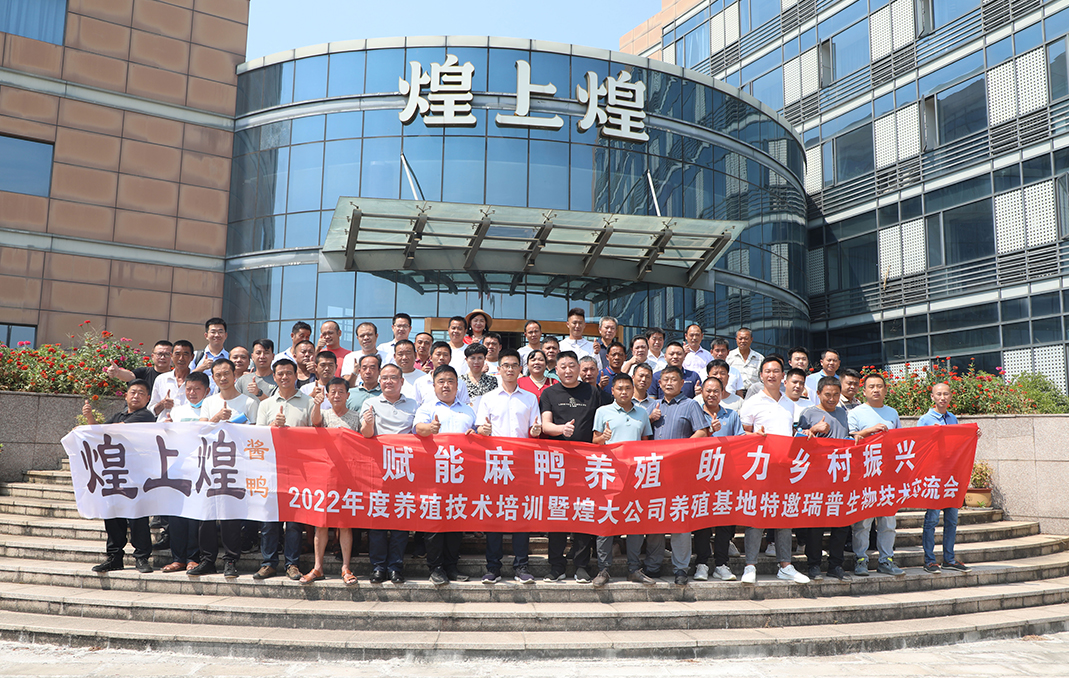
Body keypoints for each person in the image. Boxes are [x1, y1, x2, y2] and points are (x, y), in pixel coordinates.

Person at [738, 356, 810, 585]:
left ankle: (785, 566)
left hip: (784, 468)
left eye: (776, 371)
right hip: (759, 468)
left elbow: (789, 433)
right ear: (761, 375)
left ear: (783, 376)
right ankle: (750, 565)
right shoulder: (752, 402)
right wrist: (754, 436)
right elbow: (740, 435)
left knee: (784, 517)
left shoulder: (790, 403)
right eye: (767, 371)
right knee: (755, 517)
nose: (771, 375)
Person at [475, 349, 541, 584]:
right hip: (496, 464)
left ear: (520, 369)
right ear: (499, 369)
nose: (510, 369)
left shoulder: (530, 398)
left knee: (521, 515)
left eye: (514, 365)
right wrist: (482, 430)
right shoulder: (488, 398)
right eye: (506, 365)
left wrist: (536, 431)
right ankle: (493, 567)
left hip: (522, 465)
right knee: (495, 515)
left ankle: (521, 566)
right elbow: (480, 428)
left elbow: (535, 428)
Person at [539, 351, 606, 583]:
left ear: (578, 368)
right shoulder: (549, 393)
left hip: (587, 463)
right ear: (555, 370)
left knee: (584, 513)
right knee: (557, 513)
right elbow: (546, 425)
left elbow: (606, 417)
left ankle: (581, 565)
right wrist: (561, 429)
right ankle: (556, 566)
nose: (568, 370)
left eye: (571, 366)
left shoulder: (593, 392)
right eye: (563, 366)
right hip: (557, 463)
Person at [192, 358, 259, 578]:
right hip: (211, 463)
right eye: (218, 375)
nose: (223, 378)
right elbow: (200, 430)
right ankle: (207, 559)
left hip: (236, 465)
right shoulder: (209, 402)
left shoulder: (249, 402)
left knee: (231, 516)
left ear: (234, 375)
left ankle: (230, 560)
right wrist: (217, 418)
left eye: (226, 373)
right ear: (213, 377)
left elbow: (256, 435)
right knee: (206, 515)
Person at [82, 379, 156, 573]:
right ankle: (114, 557)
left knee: (138, 517)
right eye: (133, 392)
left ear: (148, 398)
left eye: (141, 393)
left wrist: (96, 428)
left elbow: (116, 429)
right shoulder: (118, 415)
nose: (136, 396)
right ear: (126, 395)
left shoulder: (146, 415)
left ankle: (142, 557)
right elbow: (99, 434)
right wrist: (89, 419)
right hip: (115, 473)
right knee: (113, 515)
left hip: (137, 476)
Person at [253, 359, 316, 581]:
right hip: (272, 468)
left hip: (299, 469)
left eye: (289, 373)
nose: (284, 377)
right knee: (269, 519)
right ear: (274, 376)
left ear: (296, 375)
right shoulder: (266, 404)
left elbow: (316, 435)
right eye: (280, 373)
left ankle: (292, 564)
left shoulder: (308, 402)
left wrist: (291, 431)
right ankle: (268, 563)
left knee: (294, 521)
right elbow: (258, 437)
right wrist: (273, 428)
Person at [414, 365, 476, 586]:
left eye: (450, 381)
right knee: (434, 523)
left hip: (460, 474)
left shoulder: (468, 410)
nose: (446, 385)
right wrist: (430, 428)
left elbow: (477, 433)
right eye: (441, 381)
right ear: (434, 385)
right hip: (433, 474)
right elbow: (418, 428)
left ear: (457, 386)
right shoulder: (427, 407)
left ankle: (451, 566)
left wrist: (476, 433)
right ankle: (436, 567)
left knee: (455, 520)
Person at [649, 366, 711, 586]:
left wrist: (680, 449)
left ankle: (681, 568)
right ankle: (653, 565)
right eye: (665, 379)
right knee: (654, 519)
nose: (668, 383)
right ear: (659, 383)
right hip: (654, 473)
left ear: (682, 383)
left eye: (673, 379)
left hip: (680, 472)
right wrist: (649, 418)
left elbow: (702, 432)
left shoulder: (690, 405)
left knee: (679, 519)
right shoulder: (652, 406)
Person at [360, 364, 418, 585]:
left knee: (400, 522)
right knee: (377, 521)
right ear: (379, 381)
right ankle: (378, 567)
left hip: (404, 470)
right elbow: (366, 434)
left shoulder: (414, 404)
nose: (388, 381)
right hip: (378, 471)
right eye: (384, 378)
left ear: (402, 381)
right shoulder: (371, 403)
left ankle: (395, 567)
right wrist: (369, 423)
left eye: (393, 377)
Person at [592, 373, 652, 587]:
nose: (624, 392)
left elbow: (646, 443)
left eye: (628, 388)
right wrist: (603, 438)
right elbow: (594, 441)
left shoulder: (642, 413)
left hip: (635, 476)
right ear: (613, 391)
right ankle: (603, 569)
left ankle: (634, 569)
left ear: (633, 389)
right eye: (620, 388)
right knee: (606, 521)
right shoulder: (602, 411)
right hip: (609, 474)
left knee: (635, 521)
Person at [299, 377, 359, 585]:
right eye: (332, 392)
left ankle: (346, 567)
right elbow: (315, 422)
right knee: (321, 523)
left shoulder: (356, 417)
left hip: (349, 476)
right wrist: (316, 404)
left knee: (345, 524)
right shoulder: (323, 414)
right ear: (327, 395)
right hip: (324, 475)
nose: (337, 395)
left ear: (348, 395)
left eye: (341, 392)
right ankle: (318, 568)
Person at [848, 372, 905, 577]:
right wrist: (870, 431)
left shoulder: (892, 413)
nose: (875, 390)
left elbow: (901, 441)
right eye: (871, 386)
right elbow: (849, 440)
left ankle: (886, 560)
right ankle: (861, 559)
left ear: (886, 390)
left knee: (888, 522)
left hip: (888, 475)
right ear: (863, 391)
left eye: (879, 386)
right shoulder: (856, 413)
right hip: (865, 475)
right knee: (863, 522)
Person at [796, 376, 852, 581]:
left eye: (836, 395)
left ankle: (836, 564)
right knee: (816, 524)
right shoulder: (808, 413)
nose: (832, 398)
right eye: (827, 394)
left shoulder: (843, 413)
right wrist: (813, 430)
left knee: (842, 524)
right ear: (818, 393)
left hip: (840, 477)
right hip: (816, 478)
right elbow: (797, 444)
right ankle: (814, 565)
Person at [918, 382, 974, 574]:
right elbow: (919, 446)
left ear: (951, 396)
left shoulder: (953, 418)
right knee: (932, 520)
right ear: (932, 397)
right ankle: (929, 560)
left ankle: (949, 558)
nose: (942, 397)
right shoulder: (925, 420)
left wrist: (972, 436)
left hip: (952, 476)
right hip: (934, 475)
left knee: (951, 519)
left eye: (946, 394)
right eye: (939, 394)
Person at [692, 376, 744, 582]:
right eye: (708, 391)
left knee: (724, 522)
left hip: (726, 476)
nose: (712, 394)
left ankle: (722, 564)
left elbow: (741, 442)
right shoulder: (694, 413)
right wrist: (708, 432)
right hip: (700, 476)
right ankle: (702, 563)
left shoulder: (731, 415)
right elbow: (688, 443)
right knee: (702, 522)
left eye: (716, 391)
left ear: (722, 393)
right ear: (702, 393)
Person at [159, 371, 211, 573]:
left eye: (197, 389)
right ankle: (178, 558)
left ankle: (193, 557)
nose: (192, 392)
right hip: (178, 468)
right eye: (189, 389)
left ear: (207, 390)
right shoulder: (177, 411)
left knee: (195, 516)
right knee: (177, 515)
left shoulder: (211, 409)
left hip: (202, 469)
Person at [150, 340, 207, 421]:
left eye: (185, 354)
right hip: (165, 425)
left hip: (189, 425)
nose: (181, 358)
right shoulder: (161, 379)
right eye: (177, 354)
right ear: (171, 356)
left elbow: (207, 407)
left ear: (192, 357)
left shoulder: (199, 381)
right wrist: (162, 404)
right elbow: (151, 411)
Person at [415, 341, 471, 407]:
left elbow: (463, 407)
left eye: (445, 355)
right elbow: (416, 407)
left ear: (450, 358)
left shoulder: (460, 383)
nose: (441, 358)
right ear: (430, 358)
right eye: (438, 354)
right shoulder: (420, 382)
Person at [104, 339, 172, 391]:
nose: (162, 357)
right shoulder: (144, 372)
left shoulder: (176, 377)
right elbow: (130, 376)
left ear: (172, 357)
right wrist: (118, 372)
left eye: (167, 354)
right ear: (152, 356)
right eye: (159, 354)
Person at [461, 342, 498, 412]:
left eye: (480, 358)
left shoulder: (492, 380)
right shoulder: (460, 381)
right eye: (473, 358)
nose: (476, 362)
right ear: (466, 360)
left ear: (484, 359)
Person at [726, 327, 763, 392]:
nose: (743, 341)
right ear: (736, 339)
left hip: (754, 393)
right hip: (734, 393)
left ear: (751, 339)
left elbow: (762, 379)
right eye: (740, 339)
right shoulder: (729, 356)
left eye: (746, 338)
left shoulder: (760, 358)